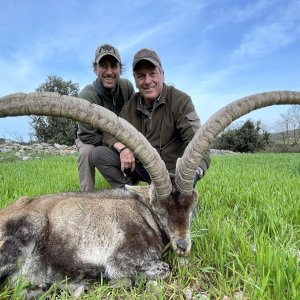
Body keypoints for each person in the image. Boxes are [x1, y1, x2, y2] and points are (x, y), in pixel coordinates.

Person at [92, 48, 210, 188]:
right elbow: (109, 132)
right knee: (99, 154)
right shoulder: (130, 106)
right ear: (135, 80)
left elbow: (199, 144)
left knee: (184, 210)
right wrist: (123, 149)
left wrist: (192, 175)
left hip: (174, 176)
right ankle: (128, 196)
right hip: (143, 168)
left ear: (162, 74)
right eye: (141, 76)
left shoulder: (181, 101)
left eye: (152, 74)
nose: (147, 81)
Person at [76, 43, 135, 192]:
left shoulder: (127, 87)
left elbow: (134, 120)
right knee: (87, 153)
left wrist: (124, 145)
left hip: (120, 136)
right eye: (103, 65)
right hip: (93, 138)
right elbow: (88, 135)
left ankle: (129, 188)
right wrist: (117, 145)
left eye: (114, 66)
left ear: (120, 68)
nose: (109, 72)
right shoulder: (86, 95)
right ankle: (87, 199)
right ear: (95, 68)